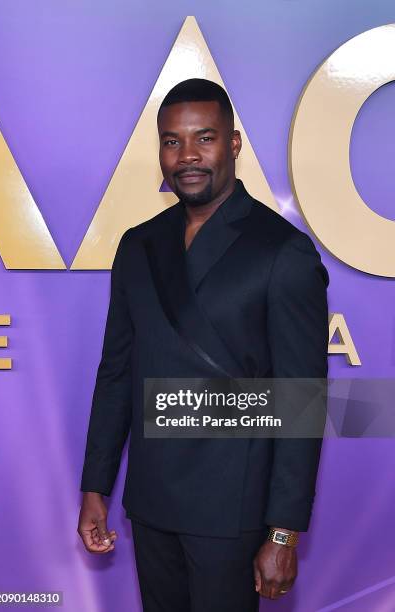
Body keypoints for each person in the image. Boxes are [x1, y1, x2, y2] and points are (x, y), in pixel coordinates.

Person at [78, 78, 329, 611]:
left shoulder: (282, 252)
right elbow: (117, 373)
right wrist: (95, 485)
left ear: (233, 144)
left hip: (232, 511)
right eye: (172, 141)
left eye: (204, 138)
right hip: (151, 504)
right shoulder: (139, 245)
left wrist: (283, 534)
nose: (187, 155)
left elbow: (301, 399)